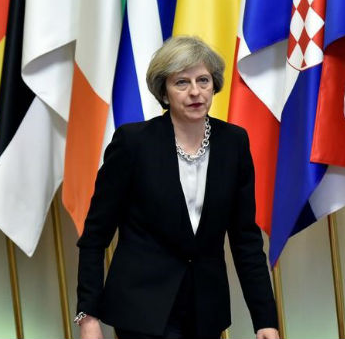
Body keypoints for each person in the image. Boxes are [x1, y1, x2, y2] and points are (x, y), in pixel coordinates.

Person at [75, 36, 280, 339]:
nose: (195, 92)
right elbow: (95, 235)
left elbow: (246, 240)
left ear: (214, 85)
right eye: (182, 83)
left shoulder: (234, 143)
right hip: (142, 310)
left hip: (205, 311)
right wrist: (88, 316)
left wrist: (265, 320)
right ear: (164, 91)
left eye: (203, 80)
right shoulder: (133, 143)